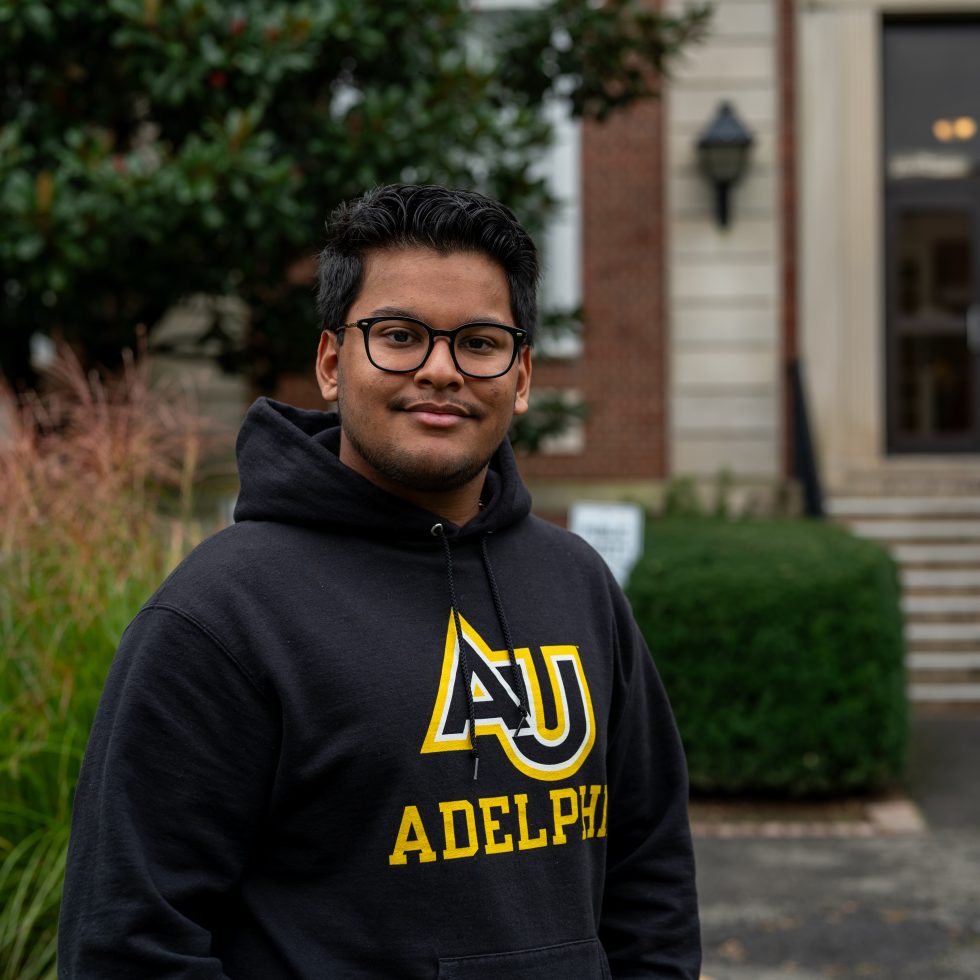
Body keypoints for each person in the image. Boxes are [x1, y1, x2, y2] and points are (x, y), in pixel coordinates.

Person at [59, 184, 701, 978]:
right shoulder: (219, 617)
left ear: (522, 375)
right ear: (332, 363)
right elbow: (129, 945)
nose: (441, 370)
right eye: (398, 335)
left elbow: (652, 877)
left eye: (479, 342)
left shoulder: (577, 584)